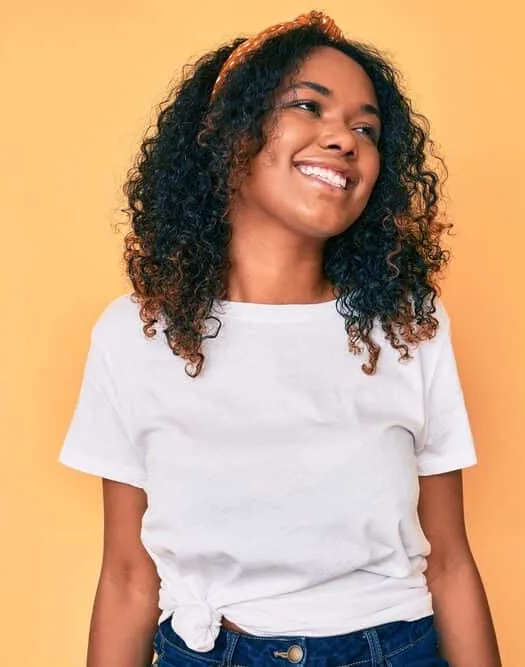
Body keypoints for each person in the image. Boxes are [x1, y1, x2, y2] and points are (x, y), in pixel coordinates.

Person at [59, 10, 501, 667]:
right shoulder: (137, 333)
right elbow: (128, 575)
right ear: (229, 134)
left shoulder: (408, 325)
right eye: (308, 105)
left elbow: (451, 561)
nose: (344, 139)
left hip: (392, 647)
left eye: (365, 128)